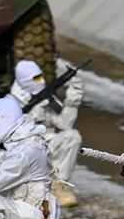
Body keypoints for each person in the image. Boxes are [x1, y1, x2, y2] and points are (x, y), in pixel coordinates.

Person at [6, 60, 85, 207]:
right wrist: (34, 114)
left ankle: (58, 186)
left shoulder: (42, 96)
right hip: (22, 152)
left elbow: (65, 124)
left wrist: (72, 100)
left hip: (45, 145)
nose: (41, 81)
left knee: (72, 136)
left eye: (41, 77)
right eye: (35, 78)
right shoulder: (10, 103)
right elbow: (9, 135)